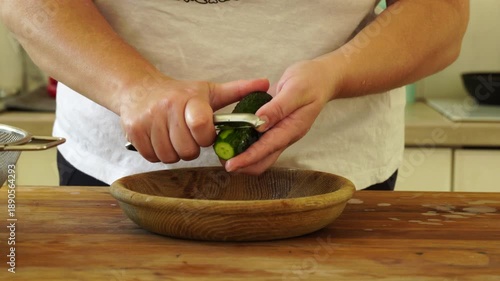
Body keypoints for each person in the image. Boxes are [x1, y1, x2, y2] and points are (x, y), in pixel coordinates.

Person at [0, 0, 469, 190]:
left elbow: (443, 12)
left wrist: (338, 73)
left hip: (338, 177)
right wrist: (132, 86)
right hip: (112, 172)